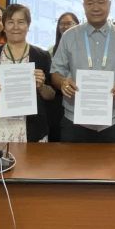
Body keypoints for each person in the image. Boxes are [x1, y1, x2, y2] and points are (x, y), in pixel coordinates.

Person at [50, 0, 115, 142]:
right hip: (75, 122)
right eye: (90, 3)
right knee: (73, 167)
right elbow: (55, 73)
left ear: (109, 4)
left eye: (101, 2)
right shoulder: (69, 36)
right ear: (84, 5)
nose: (95, 7)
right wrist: (63, 82)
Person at [0, 4, 53, 142]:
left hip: (32, 130)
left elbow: (51, 95)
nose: (15, 27)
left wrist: (41, 86)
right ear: (4, 26)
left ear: (28, 25)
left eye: (21, 22)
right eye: (10, 22)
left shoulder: (42, 56)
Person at [47, 12, 79, 141]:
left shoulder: (83, 49)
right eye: (62, 24)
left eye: (69, 23)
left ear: (77, 25)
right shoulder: (50, 50)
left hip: (77, 99)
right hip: (57, 101)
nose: (65, 27)